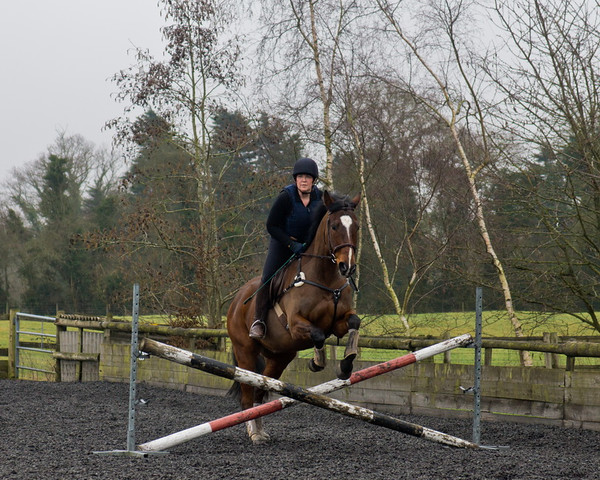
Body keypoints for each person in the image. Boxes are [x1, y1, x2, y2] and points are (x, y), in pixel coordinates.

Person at [249, 157, 325, 339]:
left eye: (307, 177)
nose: (304, 180)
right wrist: (291, 244)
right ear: (295, 179)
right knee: (267, 277)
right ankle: (258, 321)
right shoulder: (286, 197)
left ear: (314, 180)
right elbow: (271, 226)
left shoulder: (320, 198)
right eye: (300, 177)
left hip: (308, 247)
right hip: (283, 243)